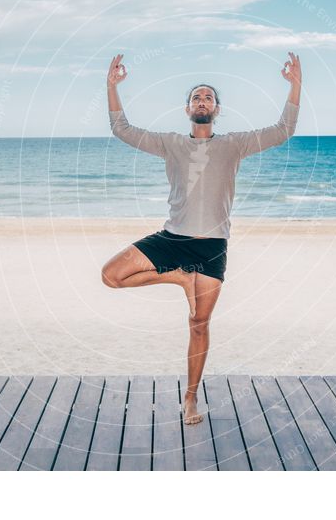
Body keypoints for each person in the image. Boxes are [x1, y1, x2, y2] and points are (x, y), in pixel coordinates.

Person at [101, 52, 302, 424]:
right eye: (197, 97)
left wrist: (295, 86)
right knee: (111, 275)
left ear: (218, 110)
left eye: (208, 97)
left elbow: (282, 130)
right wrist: (111, 88)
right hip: (172, 239)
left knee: (198, 323)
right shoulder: (170, 143)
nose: (202, 101)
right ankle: (179, 276)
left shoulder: (235, 145)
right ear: (187, 109)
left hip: (211, 246)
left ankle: (190, 399)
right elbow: (122, 129)